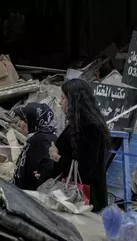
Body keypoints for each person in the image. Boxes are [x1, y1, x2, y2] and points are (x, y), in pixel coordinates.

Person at [38, 78, 111, 212]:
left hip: (83, 199)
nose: (60, 102)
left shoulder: (89, 127)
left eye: (63, 98)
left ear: (74, 101)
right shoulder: (79, 123)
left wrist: (56, 157)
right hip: (75, 196)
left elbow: (86, 169)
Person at [11, 103, 58, 191]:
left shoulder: (44, 142)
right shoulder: (37, 138)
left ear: (32, 121)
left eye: (23, 120)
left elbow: (49, 169)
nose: (18, 124)